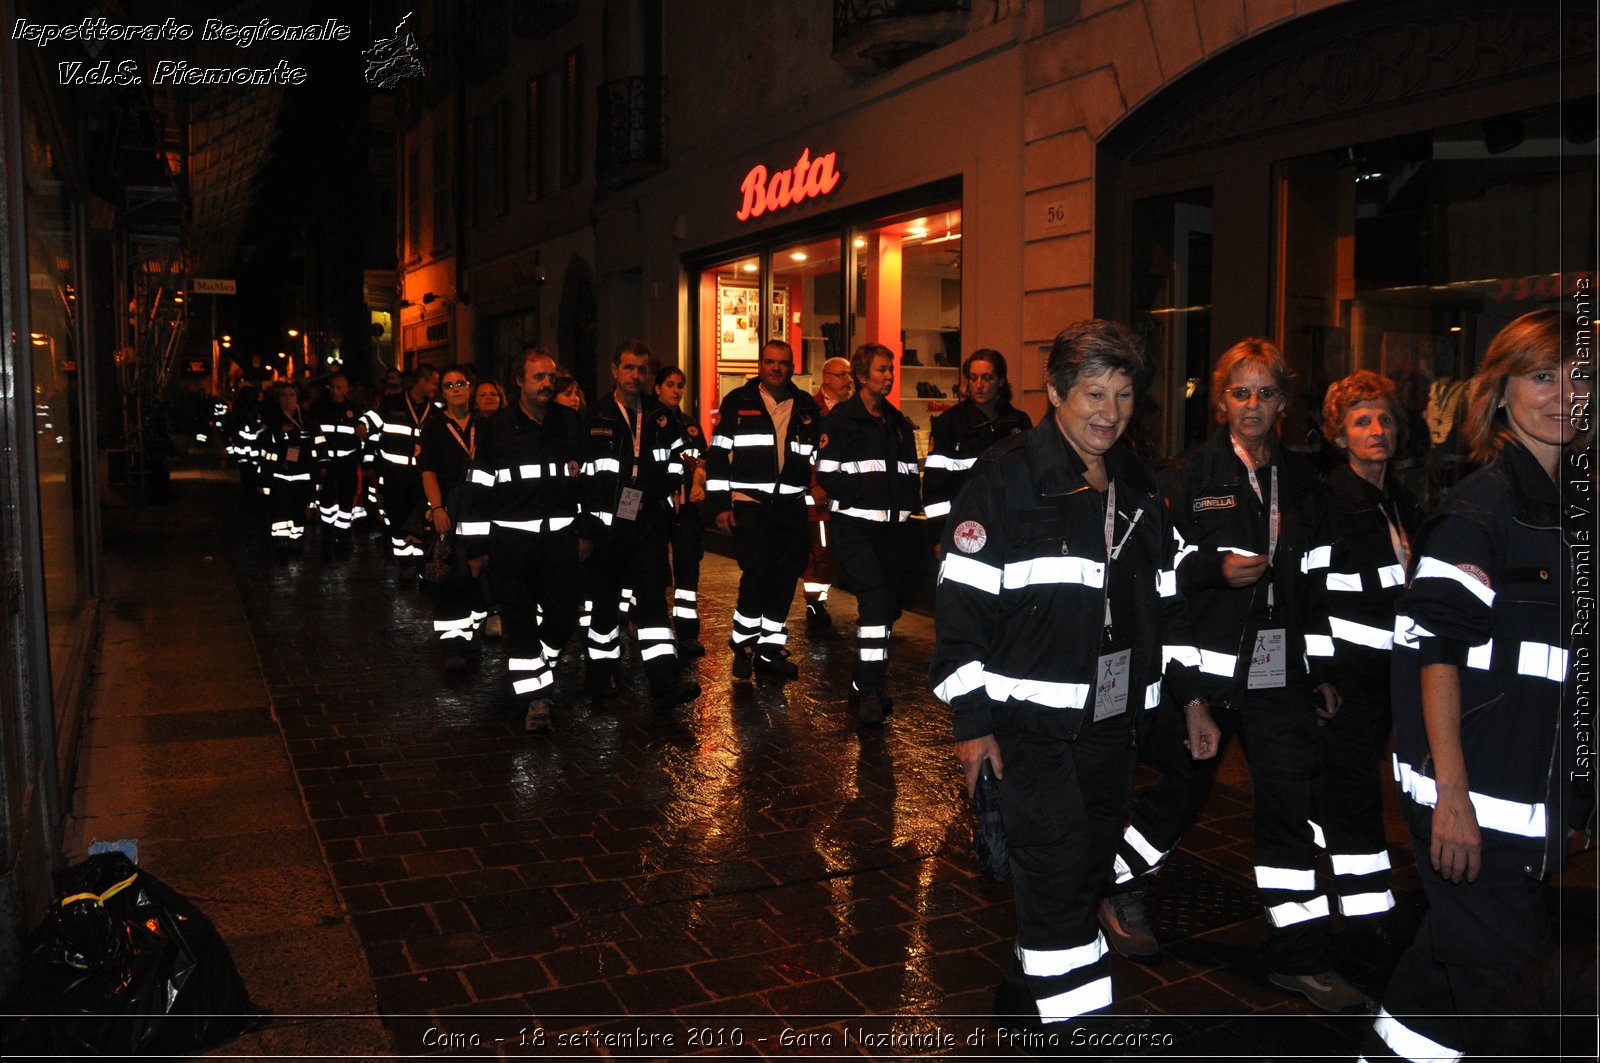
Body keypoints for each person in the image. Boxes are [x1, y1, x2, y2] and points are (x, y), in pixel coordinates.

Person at [931, 320, 1201, 1028]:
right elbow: (960, 611)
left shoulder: (1140, 481)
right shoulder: (1005, 476)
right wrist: (971, 725)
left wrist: (1192, 696)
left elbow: (1166, 600)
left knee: (1081, 878)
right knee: (1056, 892)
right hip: (1029, 734)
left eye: (1123, 393)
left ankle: (1023, 999)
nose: (1108, 410)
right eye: (1092, 391)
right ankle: (1081, 1027)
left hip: (1115, 731)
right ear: (1054, 392)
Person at [1100, 338, 1360, 1011]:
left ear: (1282, 401)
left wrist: (1322, 665)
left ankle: (1298, 954)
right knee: (1180, 792)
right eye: (1240, 392)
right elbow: (1160, 582)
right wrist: (1211, 575)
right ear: (1221, 399)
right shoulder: (1187, 476)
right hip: (1205, 677)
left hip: (1279, 678)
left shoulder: (1304, 484)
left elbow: (1317, 584)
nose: (1252, 404)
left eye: (1265, 392)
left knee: (1288, 806)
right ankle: (1117, 885)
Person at [1363, 311, 1593, 1061]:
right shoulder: (1479, 510)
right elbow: (1434, 655)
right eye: (1541, 377)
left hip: (1522, 808)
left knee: (1445, 978)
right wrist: (1452, 799)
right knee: (1517, 991)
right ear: (1499, 395)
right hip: (1470, 808)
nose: (1564, 395)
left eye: (1580, 376)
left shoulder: (1567, 514)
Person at [1312, 370, 1424, 934]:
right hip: (1347, 678)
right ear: (1339, 435)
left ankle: (1335, 878)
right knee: (1353, 791)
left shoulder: (1402, 500)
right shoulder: (1330, 500)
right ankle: (1364, 913)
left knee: (1359, 788)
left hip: (1393, 674)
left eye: (1384, 419)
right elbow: (1311, 594)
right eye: (1361, 421)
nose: (1376, 430)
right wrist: (1320, 674)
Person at [456, 348, 589, 734]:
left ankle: (541, 668)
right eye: (539, 378)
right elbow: (478, 489)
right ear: (519, 382)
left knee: (564, 615)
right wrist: (477, 550)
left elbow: (590, 478)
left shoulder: (569, 422)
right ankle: (535, 699)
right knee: (521, 620)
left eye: (552, 378)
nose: (548, 384)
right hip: (512, 546)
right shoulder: (497, 428)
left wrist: (587, 531)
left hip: (560, 542)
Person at [581, 341, 700, 712]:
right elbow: (581, 474)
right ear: (614, 370)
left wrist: (664, 491)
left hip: (648, 523)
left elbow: (684, 459)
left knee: (652, 604)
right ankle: (600, 676)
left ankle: (664, 683)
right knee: (605, 606)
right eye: (629, 368)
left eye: (642, 369)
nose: (636, 376)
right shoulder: (594, 417)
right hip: (607, 528)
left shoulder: (662, 416)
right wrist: (587, 523)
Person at [816, 343, 921, 725]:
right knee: (875, 606)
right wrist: (860, 495)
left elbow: (909, 472)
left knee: (885, 610)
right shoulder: (842, 420)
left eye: (891, 369)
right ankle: (870, 690)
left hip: (892, 533)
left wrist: (910, 506)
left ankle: (864, 685)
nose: (889, 375)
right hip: (856, 529)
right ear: (862, 376)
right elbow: (826, 472)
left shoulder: (895, 421)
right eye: (881, 370)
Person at [706, 340, 822, 680]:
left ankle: (769, 652)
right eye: (770, 362)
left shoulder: (805, 407)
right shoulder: (738, 402)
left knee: (785, 578)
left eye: (783, 363)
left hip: (790, 506)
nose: (776, 368)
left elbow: (818, 456)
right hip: (751, 503)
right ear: (760, 365)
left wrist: (820, 489)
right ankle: (743, 644)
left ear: (792, 366)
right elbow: (717, 455)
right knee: (758, 571)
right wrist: (718, 505)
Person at [419, 367, 487, 672]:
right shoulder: (433, 426)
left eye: (461, 383)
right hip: (450, 508)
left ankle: (473, 631)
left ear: (469, 388)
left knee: (478, 573)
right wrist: (437, 508)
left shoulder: (486, 425)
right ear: (442, 392)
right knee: (449, 575)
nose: (456, 388)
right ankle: (452, 644)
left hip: (482, 509)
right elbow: (428, 470)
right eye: (449, 385)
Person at [921, 349, 1032, 535]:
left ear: (1001, 381)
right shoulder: (949, 423)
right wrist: (940, 533)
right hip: (965, 527)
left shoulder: (1018, 422)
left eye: (987, 378)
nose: (979, 385)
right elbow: (934, 486)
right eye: (973, 378)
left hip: (1010, 525)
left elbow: (1029, 479)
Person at [656, 365, 708, 656]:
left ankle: (687, 632)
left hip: (687, 508)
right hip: (658, 507)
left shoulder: (690, 424)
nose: (676, 391)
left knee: (687, 570)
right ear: (658, 388)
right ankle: (653, 627)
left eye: (680, 386)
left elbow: (702, 457)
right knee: (655, 568)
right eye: (671, 385)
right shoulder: (648, 420)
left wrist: (699, 470)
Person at [802, 356, 853, 627]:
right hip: (820, 502)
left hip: (847, 498)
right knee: (821, 554)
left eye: (850, 375)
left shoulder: (854, 411)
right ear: (827, 379)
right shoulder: (812, 411)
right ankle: (815, 607)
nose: (849, 380)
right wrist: (815, 484)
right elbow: (806, 452)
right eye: (842, 375)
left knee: (838, 553)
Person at [374, 363, 440, 570]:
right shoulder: (393, 403)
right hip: (396, 474)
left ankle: (419, 564)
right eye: (434, 383)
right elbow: (371, 419)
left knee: (420, 519)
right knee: (398, 517)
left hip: (422, 475)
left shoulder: (435, 410)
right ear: (422, 381)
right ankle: (403, 563)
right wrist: (361, 426)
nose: (436, 388)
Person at [308, 372, 367, 557]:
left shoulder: (355, 409)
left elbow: (361, 438)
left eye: (339, 387)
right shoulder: (319, 408)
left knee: (346, 499)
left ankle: (343, 535)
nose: (335, 391)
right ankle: (327, 534)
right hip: (326, 462)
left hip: (347, 462)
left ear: (346, 388)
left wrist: (361, 459)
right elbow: (313, 434)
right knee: (326, 500)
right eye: (332, 387)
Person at [261, 382, 315, 553]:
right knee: (281, 507)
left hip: (301, 472)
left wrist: (320, 465)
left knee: (298, 507)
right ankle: (281, 540)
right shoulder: (271, 418)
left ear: (297, 398)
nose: (288, 399)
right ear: (278, 399)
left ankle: (296, 538)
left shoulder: (306, 418)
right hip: (279, 471)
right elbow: (261, 439)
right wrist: (278, 431)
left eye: (291, 395)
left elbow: (317, 441)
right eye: (284, 395)